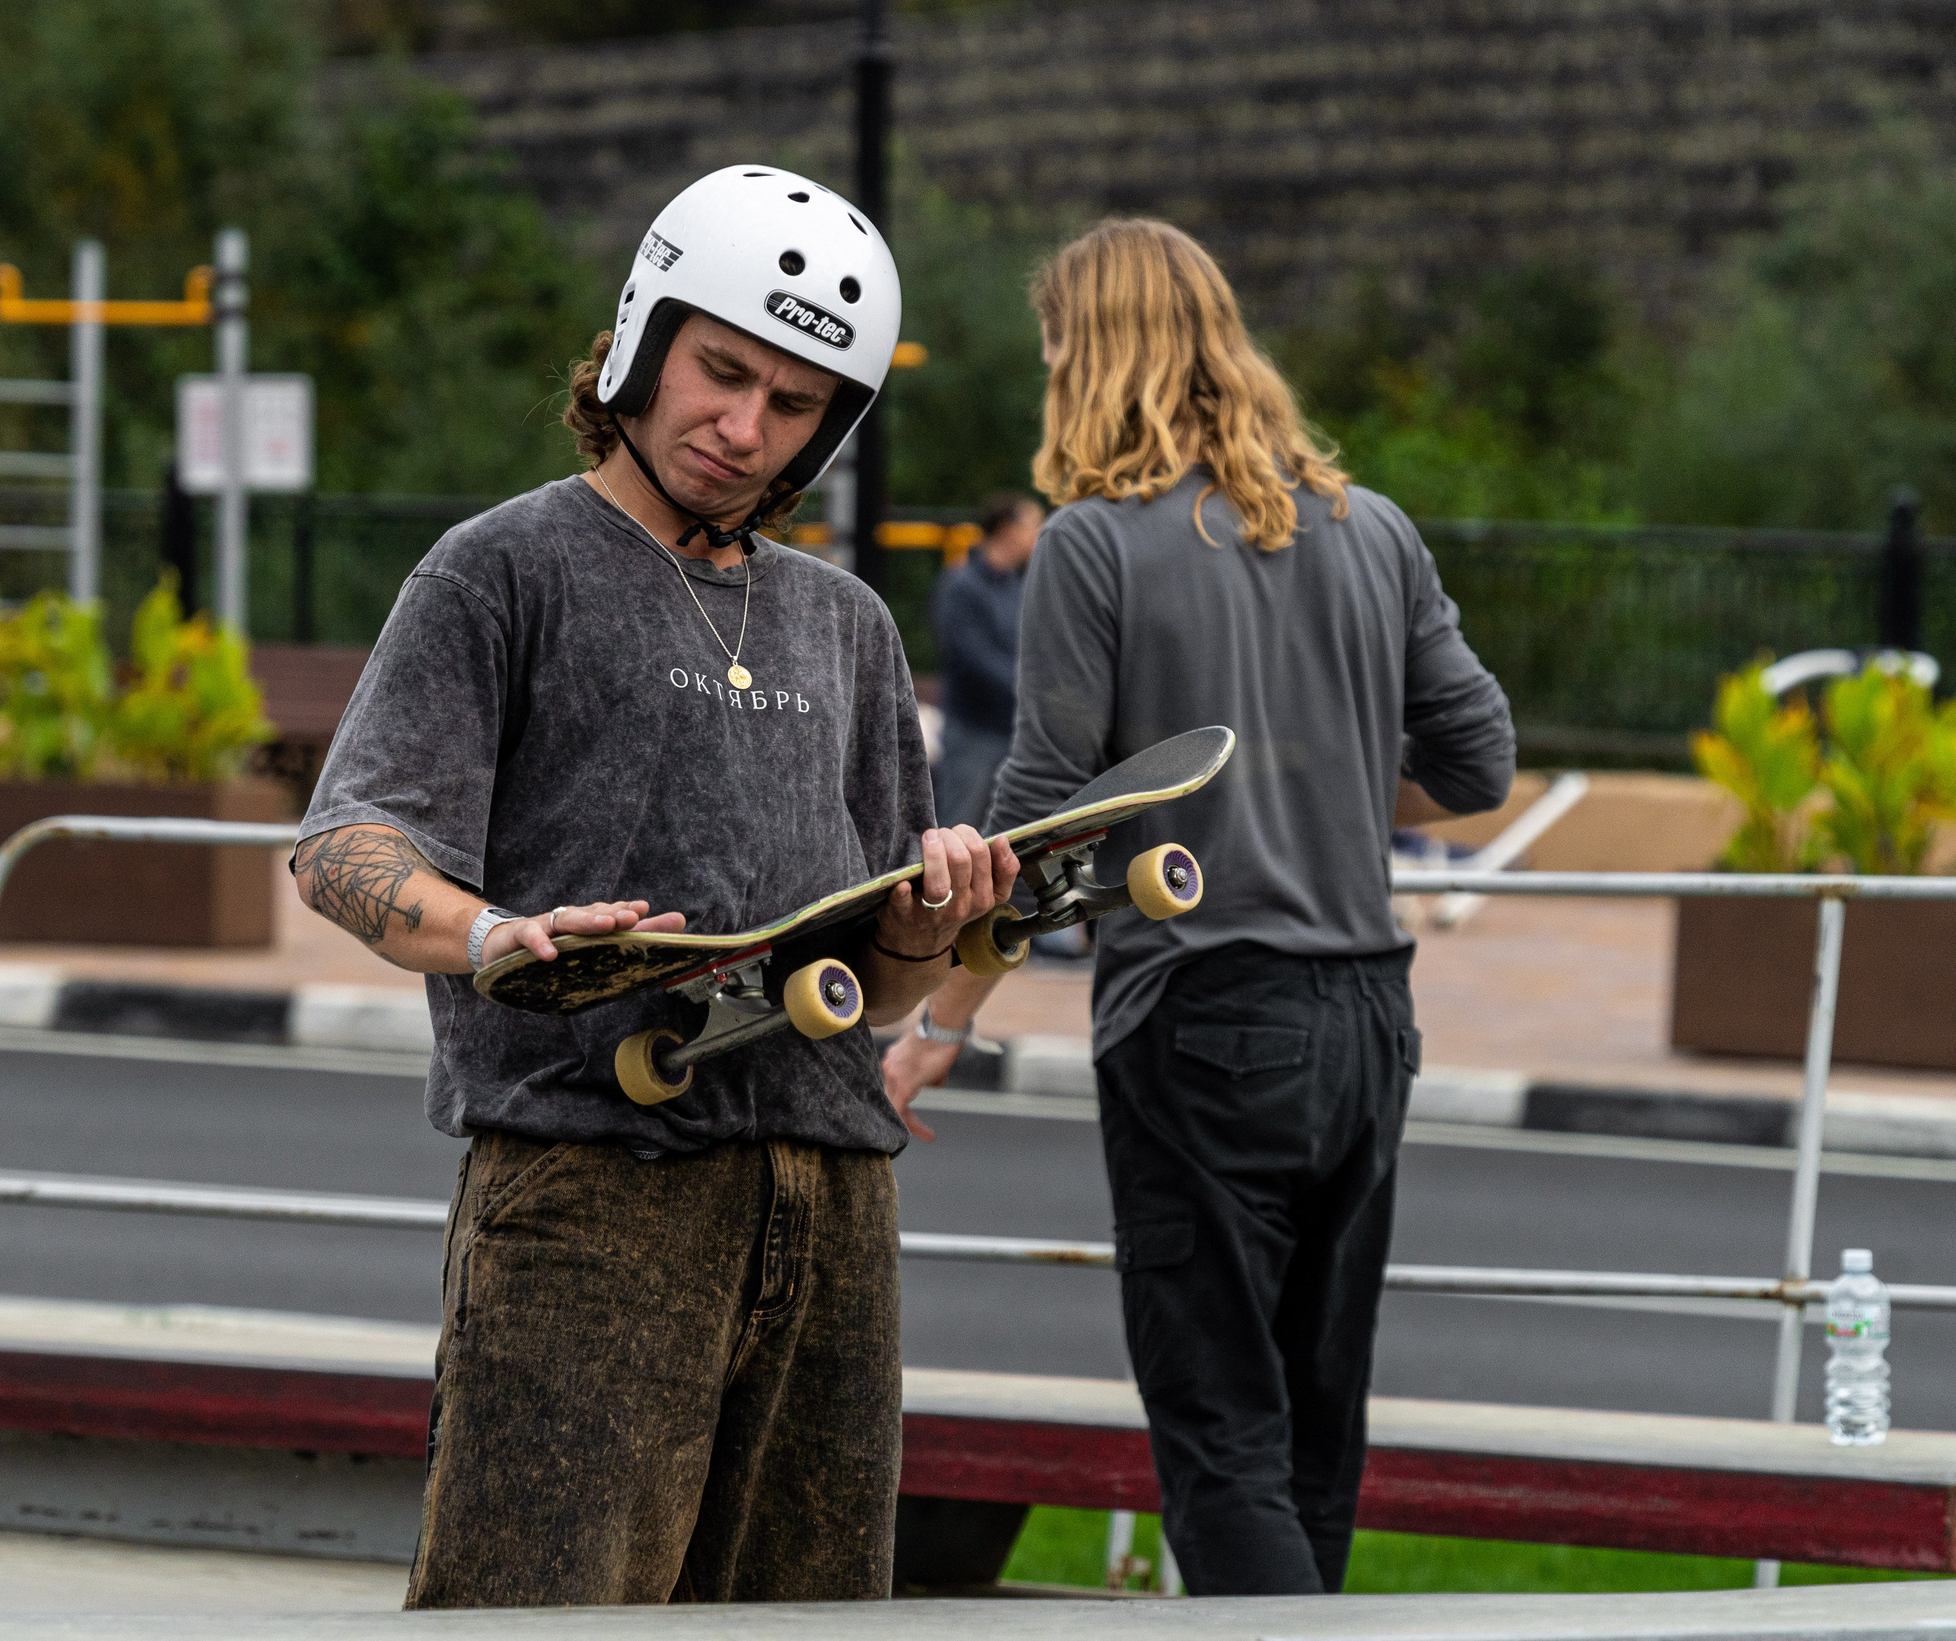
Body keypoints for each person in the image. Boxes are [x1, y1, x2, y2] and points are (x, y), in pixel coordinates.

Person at [292, 164, 1019, 1609]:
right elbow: (344, 842)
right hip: (591, 1201)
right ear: (640, 338)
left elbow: (871, 990)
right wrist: (494, 934)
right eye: (721, 371)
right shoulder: (503, 570)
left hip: (828, 1209)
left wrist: (926, 937)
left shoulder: (846, 625)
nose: (745, 427)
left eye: (795, 402)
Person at [882, 218, 1516, 1596]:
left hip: (1204, 1016)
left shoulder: (1093, 545)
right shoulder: (1374, 528)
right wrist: (1323, 789)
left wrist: (943, 1018)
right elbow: (1479, 766)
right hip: (1367, 1020)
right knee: (1311, 1434)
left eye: (1057, 352)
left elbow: (1046, 814)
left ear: (1094, 359)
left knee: (1222, 1436)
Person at [929, 489, 1044, 829]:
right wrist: (1030, 690)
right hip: (973, 732)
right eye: (1033, 526)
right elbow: (971, 658)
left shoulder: (1017, 586)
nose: (1039, 535)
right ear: (1008, 530)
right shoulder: (961, 584)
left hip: (1011, 731)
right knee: (960, 827)